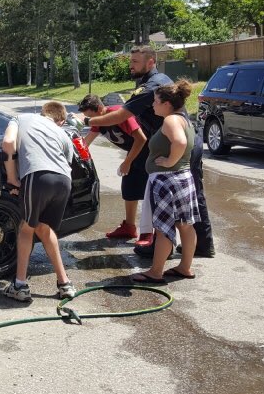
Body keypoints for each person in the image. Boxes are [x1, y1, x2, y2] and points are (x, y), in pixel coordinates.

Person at [80, 46, 215, 258]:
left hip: (177, 146)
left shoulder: (153, 85)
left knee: (171, 199)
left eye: (135, 61)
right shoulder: (149, 82)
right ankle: (199, 245)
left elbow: (120, 116)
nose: (130, 65)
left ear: (150, 62)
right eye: (131, 60)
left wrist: (88, 120)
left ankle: (170, 248)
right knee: (184, 197)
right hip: (178, 144)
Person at [0, 101, 76, 302]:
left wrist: (11, 178)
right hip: (64, 181)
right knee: (44, 228)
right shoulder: (63, 134)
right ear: (61, 120)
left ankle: (20, 284)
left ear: (43, 112)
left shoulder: (21, 118)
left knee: (26, 228)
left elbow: (8, 143)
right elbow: (68, 161)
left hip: (37, 175)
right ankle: (64, 284)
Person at [129, 80, 200, 284]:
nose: (153, 105)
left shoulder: (171, 121)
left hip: (168, 181)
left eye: (156, 101)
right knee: (185, 225)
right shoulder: (184, 119)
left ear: (167, 104)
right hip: (183, 178)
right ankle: (185, 267)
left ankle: (156, 272)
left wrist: (169, 161)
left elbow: (180, 142)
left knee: (163, 228)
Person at [77, 94, 148, 243]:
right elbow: (86, 142)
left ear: (100, 109)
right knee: (129, 188)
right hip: (135, 153)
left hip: (148, 152)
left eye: (91, 117)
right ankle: (129, 227)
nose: (92, 121)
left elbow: (141, 139)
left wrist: (127, 162)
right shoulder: (100, 121)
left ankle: (150, 233)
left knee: (149, 192)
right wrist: (72, 155)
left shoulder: (118, 113)